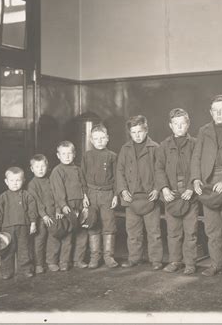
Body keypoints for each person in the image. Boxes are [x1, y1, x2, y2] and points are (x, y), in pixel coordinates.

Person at [190, 95, 222, 277]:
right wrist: (196, 178)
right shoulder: (204, 131)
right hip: (208, 185)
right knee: (212, 229)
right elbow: (196, 156)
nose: (219, 114)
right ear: (211, 112)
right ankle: (216, 264)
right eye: (215, 111)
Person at [116, 115, 163, 270]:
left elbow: (160, 171)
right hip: (131, 198)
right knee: (133, 232)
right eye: (133, 132)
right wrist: (122, 190)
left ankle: (156, 260)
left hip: (150, 197)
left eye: (140, 131)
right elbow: (120, 171)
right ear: (130, 133)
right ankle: (134, 258)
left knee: (154, 232)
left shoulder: (155, 148)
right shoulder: (125, 149)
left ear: (146, 130)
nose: (137, 135)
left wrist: (157, 189)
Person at [155, 108, 198, 275]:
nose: (179, 127)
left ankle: (190, 263)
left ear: (188, 125)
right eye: (176, 124)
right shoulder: (164, 146)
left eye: (183, 124)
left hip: (189, 196)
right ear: (170, 126)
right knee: (173, 232)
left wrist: (191, 188)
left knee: (190, 232)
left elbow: (198, 167)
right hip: (171, 195)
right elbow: (158, 169)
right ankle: (175, 261)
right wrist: (164, 188)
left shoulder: (195, 144)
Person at [80, 124, 119, 269]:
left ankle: (108, 256)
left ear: (107, 139)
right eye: (96, 138)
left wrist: (115, 195)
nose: (100, 141)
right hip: (91, 194)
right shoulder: (87, 156)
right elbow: (82, 177)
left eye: (103, 138)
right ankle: (94, 257)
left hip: (107, 194)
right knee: (93, 223)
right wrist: (84, 195)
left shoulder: (112, 156)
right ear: (91, 139)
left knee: (109, 224)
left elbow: (117, 178)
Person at [0, 167, 37, 279]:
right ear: (6, 182)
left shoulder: (27, 195)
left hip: (23, 227)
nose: (15, 183)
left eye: (18, 180)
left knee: (24, 249)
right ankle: (6, 272)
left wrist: (33, 223)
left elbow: (32, 210)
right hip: (7, 229)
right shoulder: (3, 197)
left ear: (23, 181)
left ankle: (26, 270)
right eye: (12, 180)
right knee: (8, 250)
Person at [50, 141, 85, 271]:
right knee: (68, 235)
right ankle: (64, 262)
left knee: (82, 235)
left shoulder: (78, 169)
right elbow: (58, 191)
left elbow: (83, 185)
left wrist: (85, 197)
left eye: (69, 153)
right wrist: (62, 206)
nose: (67, 156)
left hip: (79, 205)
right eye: (63, 154)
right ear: (58, 156)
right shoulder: (57, 171)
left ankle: (78, 260)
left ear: (74, 154)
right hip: (67, 207)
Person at [27, 154, 56, 274]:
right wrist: (44, 215)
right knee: (39, 240)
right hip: (40, 218)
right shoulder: (32, 184)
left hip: (53, 215)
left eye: (42, 166)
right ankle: (39, 264)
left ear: (47, 167)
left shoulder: (51, 180)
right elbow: (36, 202)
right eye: (37, 167)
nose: (40, 169)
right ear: (32, 169)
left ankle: (51, 261)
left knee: (53, 239)